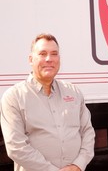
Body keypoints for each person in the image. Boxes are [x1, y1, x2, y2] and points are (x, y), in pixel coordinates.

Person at [0, 33, 95, 171]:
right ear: (31, 59)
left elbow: (88, 132)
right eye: (42, 54)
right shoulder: (14, 97)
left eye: (54, 54)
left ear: (59, 59)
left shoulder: (73, 92)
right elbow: (16, 147)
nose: (49, 59)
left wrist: (78, 165)